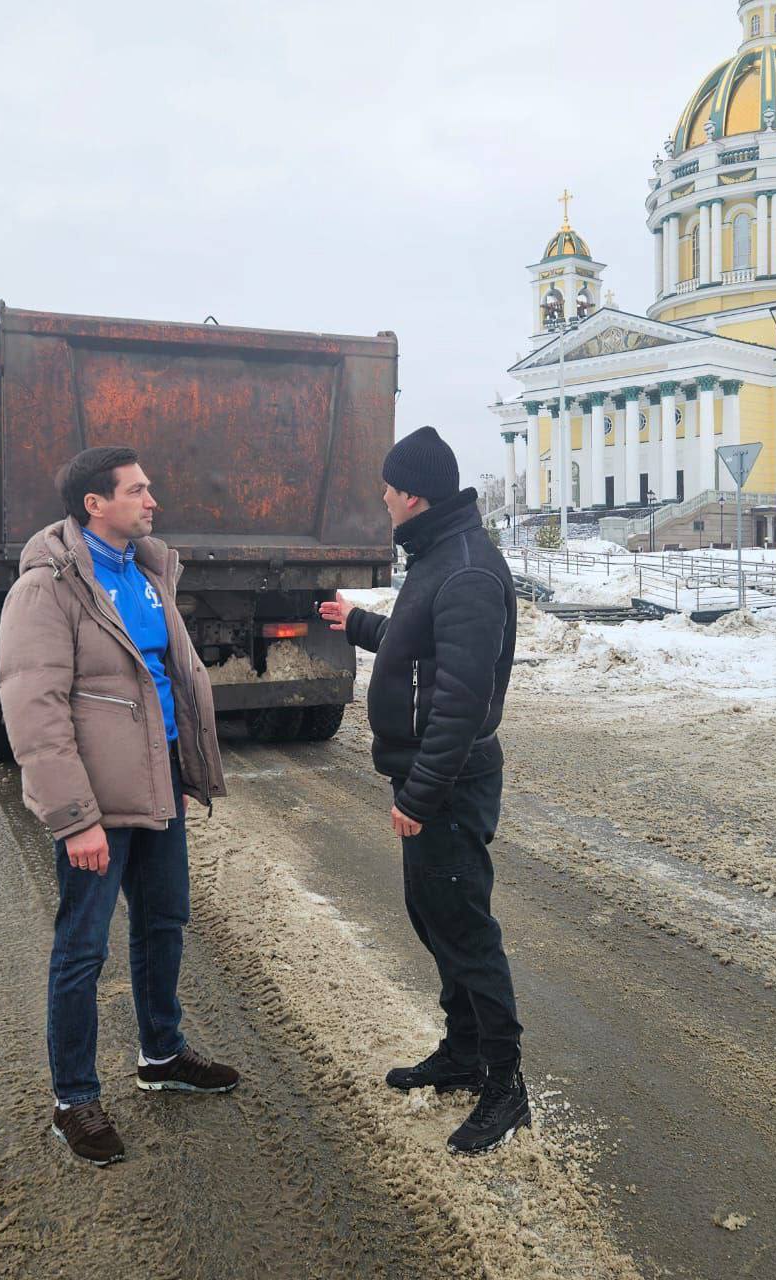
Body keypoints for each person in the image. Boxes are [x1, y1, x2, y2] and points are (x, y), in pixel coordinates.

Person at [0, 446, 237, 1167]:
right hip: (96, 804)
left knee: (164, 924)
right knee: (83, 949)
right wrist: (75, 819)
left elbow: (168, 683)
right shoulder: (49, 587)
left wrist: (185, 773)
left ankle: (160, 1054)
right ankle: (74, 1098)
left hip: (157, 786)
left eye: (149, 488)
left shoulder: (148, 572)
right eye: (137, 490)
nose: (151, 499)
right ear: (94, 504)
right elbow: (35, 712)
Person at [320, 426, 528, 1156]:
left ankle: (505, 1084)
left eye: (387, 488)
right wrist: (360, 624)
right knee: (434, 917)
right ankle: (463, 1051)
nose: (381, 500)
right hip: (427, 777)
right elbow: (424, 648)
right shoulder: (440, 555)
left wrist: (421, 794)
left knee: (465, 929)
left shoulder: (465, 568)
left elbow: (463, 699)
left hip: (449, 782)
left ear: (413, 493)